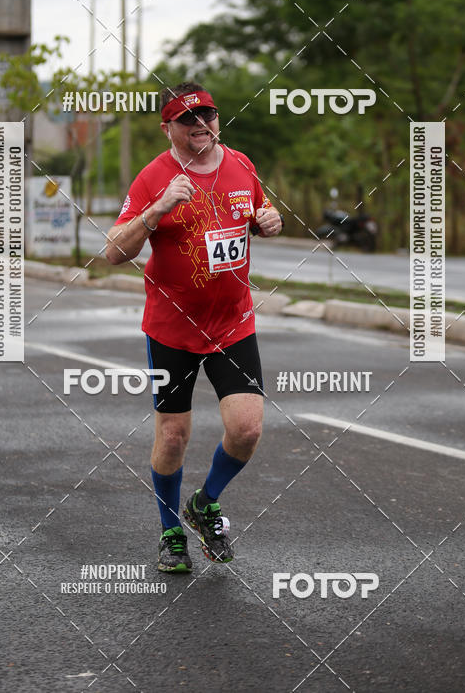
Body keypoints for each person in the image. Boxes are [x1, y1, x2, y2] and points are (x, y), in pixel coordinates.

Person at [106, 82, 283, 572]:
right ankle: (170, 534)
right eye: (188, 119)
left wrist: (269, 222)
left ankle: (204, 504)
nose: (201, 124)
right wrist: (156, 210)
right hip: (172, 330)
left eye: (208, 114)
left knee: (246, 430)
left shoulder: (241, 165)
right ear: (168, 128)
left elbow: (256, 215)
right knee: (173, 438)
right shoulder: (152, 178)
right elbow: (113, 252)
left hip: (232, 325)